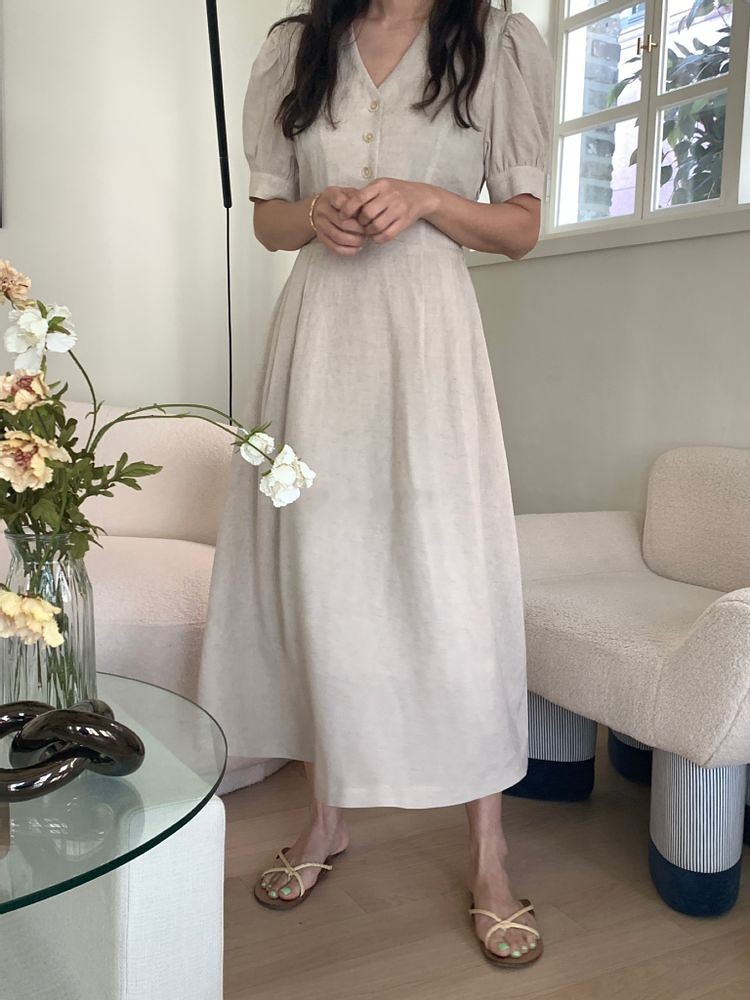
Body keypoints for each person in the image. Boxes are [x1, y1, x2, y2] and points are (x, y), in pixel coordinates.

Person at [198, 0, 554, 967]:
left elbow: (522, 227)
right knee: (322, 573)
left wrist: (431, 199)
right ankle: (328, 816)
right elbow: (268, 219)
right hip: (319, 343)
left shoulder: (496, 40)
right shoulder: (296, 45)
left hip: (430, 342)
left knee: (451, 580)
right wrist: (313, 213)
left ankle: (488, 852)